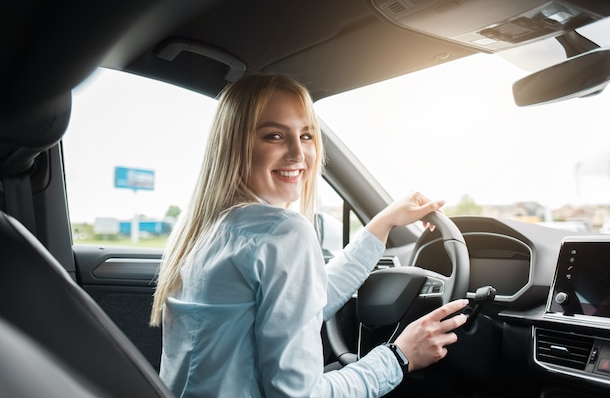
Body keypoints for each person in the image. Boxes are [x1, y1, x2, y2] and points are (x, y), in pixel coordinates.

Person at [149, 73, 469, 398]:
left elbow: (302, 303)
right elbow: (298, 395)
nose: (298, 154)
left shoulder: (199, 227)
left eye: (306, 136)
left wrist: (381, 224)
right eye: (274, 135)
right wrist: (399, 357)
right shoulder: (282, 231)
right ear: (233, 144)